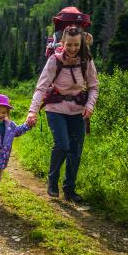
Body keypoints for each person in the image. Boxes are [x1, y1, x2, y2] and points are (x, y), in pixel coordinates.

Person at [27, 26, 99, 203]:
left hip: (78, 110)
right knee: (63, 145)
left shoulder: (86, 61)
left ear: (81, 44)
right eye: (69, 45)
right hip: (56, 108)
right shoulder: (54, 60)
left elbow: (94, 87)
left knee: (76, 151)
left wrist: (90, 105)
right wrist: (32, 111)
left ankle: (69, 189)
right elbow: (41, 87)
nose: (73, 48)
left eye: (76, 45)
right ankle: (52, 179)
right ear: (63, 43)